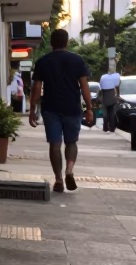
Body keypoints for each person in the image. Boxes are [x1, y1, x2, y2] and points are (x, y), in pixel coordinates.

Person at [28, 29, 95, 193]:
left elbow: (37, 87)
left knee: (55, 144)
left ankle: (58, 179)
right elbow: (84, 85)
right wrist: (89, 108)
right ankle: (69, 170)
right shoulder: (77, 60)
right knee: (71, 142)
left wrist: (32, 109)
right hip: (72, 107)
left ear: (51, 43)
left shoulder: (43, 61)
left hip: (51, 107)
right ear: (67, 42)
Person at [99, 66, 121, 133]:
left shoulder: (103, 78)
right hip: (111, 98)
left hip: (105, 97)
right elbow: (117, 87)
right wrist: (118, 95)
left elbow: (101, 90)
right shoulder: (114, 79)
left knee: (106, 113)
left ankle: (105, 127)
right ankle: (112, 127)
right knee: (111, 113)